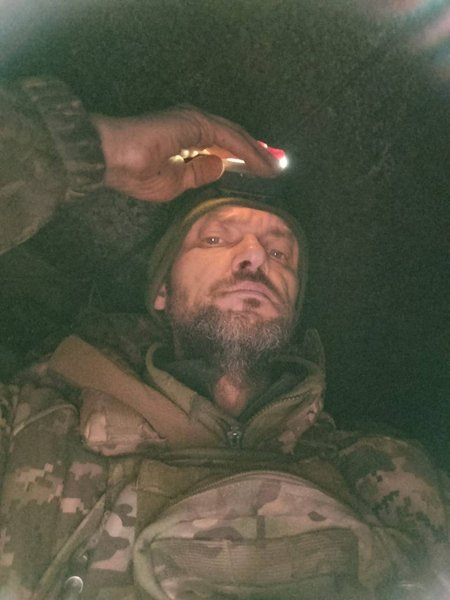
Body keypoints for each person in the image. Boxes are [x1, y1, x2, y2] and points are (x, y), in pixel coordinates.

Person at [0, 77, 449, 600]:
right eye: (215, 239)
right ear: (162, 291)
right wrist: (86, 148)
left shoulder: (394, 473)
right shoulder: (32, 434)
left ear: (293, 312)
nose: (255, 257)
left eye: (279, 254)